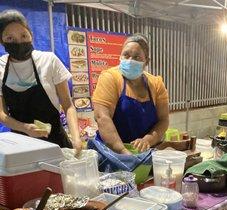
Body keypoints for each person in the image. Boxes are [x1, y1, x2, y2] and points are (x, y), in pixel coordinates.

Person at [0, 9, 82, 152]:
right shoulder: (0, 66)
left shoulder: (49, 60)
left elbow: (68, 106)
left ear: (31, 35)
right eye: (10, 38)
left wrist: (76, 138)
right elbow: (2, 114)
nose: (18, 42)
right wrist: (24, 128)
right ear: (2, 41)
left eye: (23, 35)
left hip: (56, 143)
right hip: (20, 145)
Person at [92, 34, 169, 154]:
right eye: (126, 55)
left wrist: (147, 140)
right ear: (120, 56)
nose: (130, 60)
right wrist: (123, 151)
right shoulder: (110, 78)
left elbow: (163, 120)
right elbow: (102, 117)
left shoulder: (156, 84)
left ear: (146, 62)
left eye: (137, 57)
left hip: (142, 152)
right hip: (111, 152)